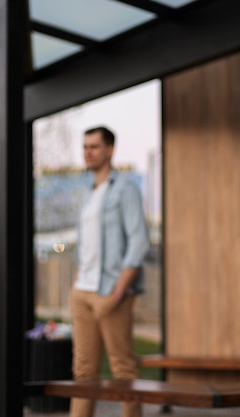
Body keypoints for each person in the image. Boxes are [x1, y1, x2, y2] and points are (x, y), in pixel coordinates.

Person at [70, 126, 150, 417]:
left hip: (111, 292)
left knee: (123, 370)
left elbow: (139, 242)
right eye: (85, 147)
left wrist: (118, 293)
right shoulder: (89, 194)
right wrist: (78, 279)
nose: (87, 152)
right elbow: (88, 245)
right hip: (82, 293)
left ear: (110, 150)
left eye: (93, 146)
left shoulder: (124, 187)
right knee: (83, 372)